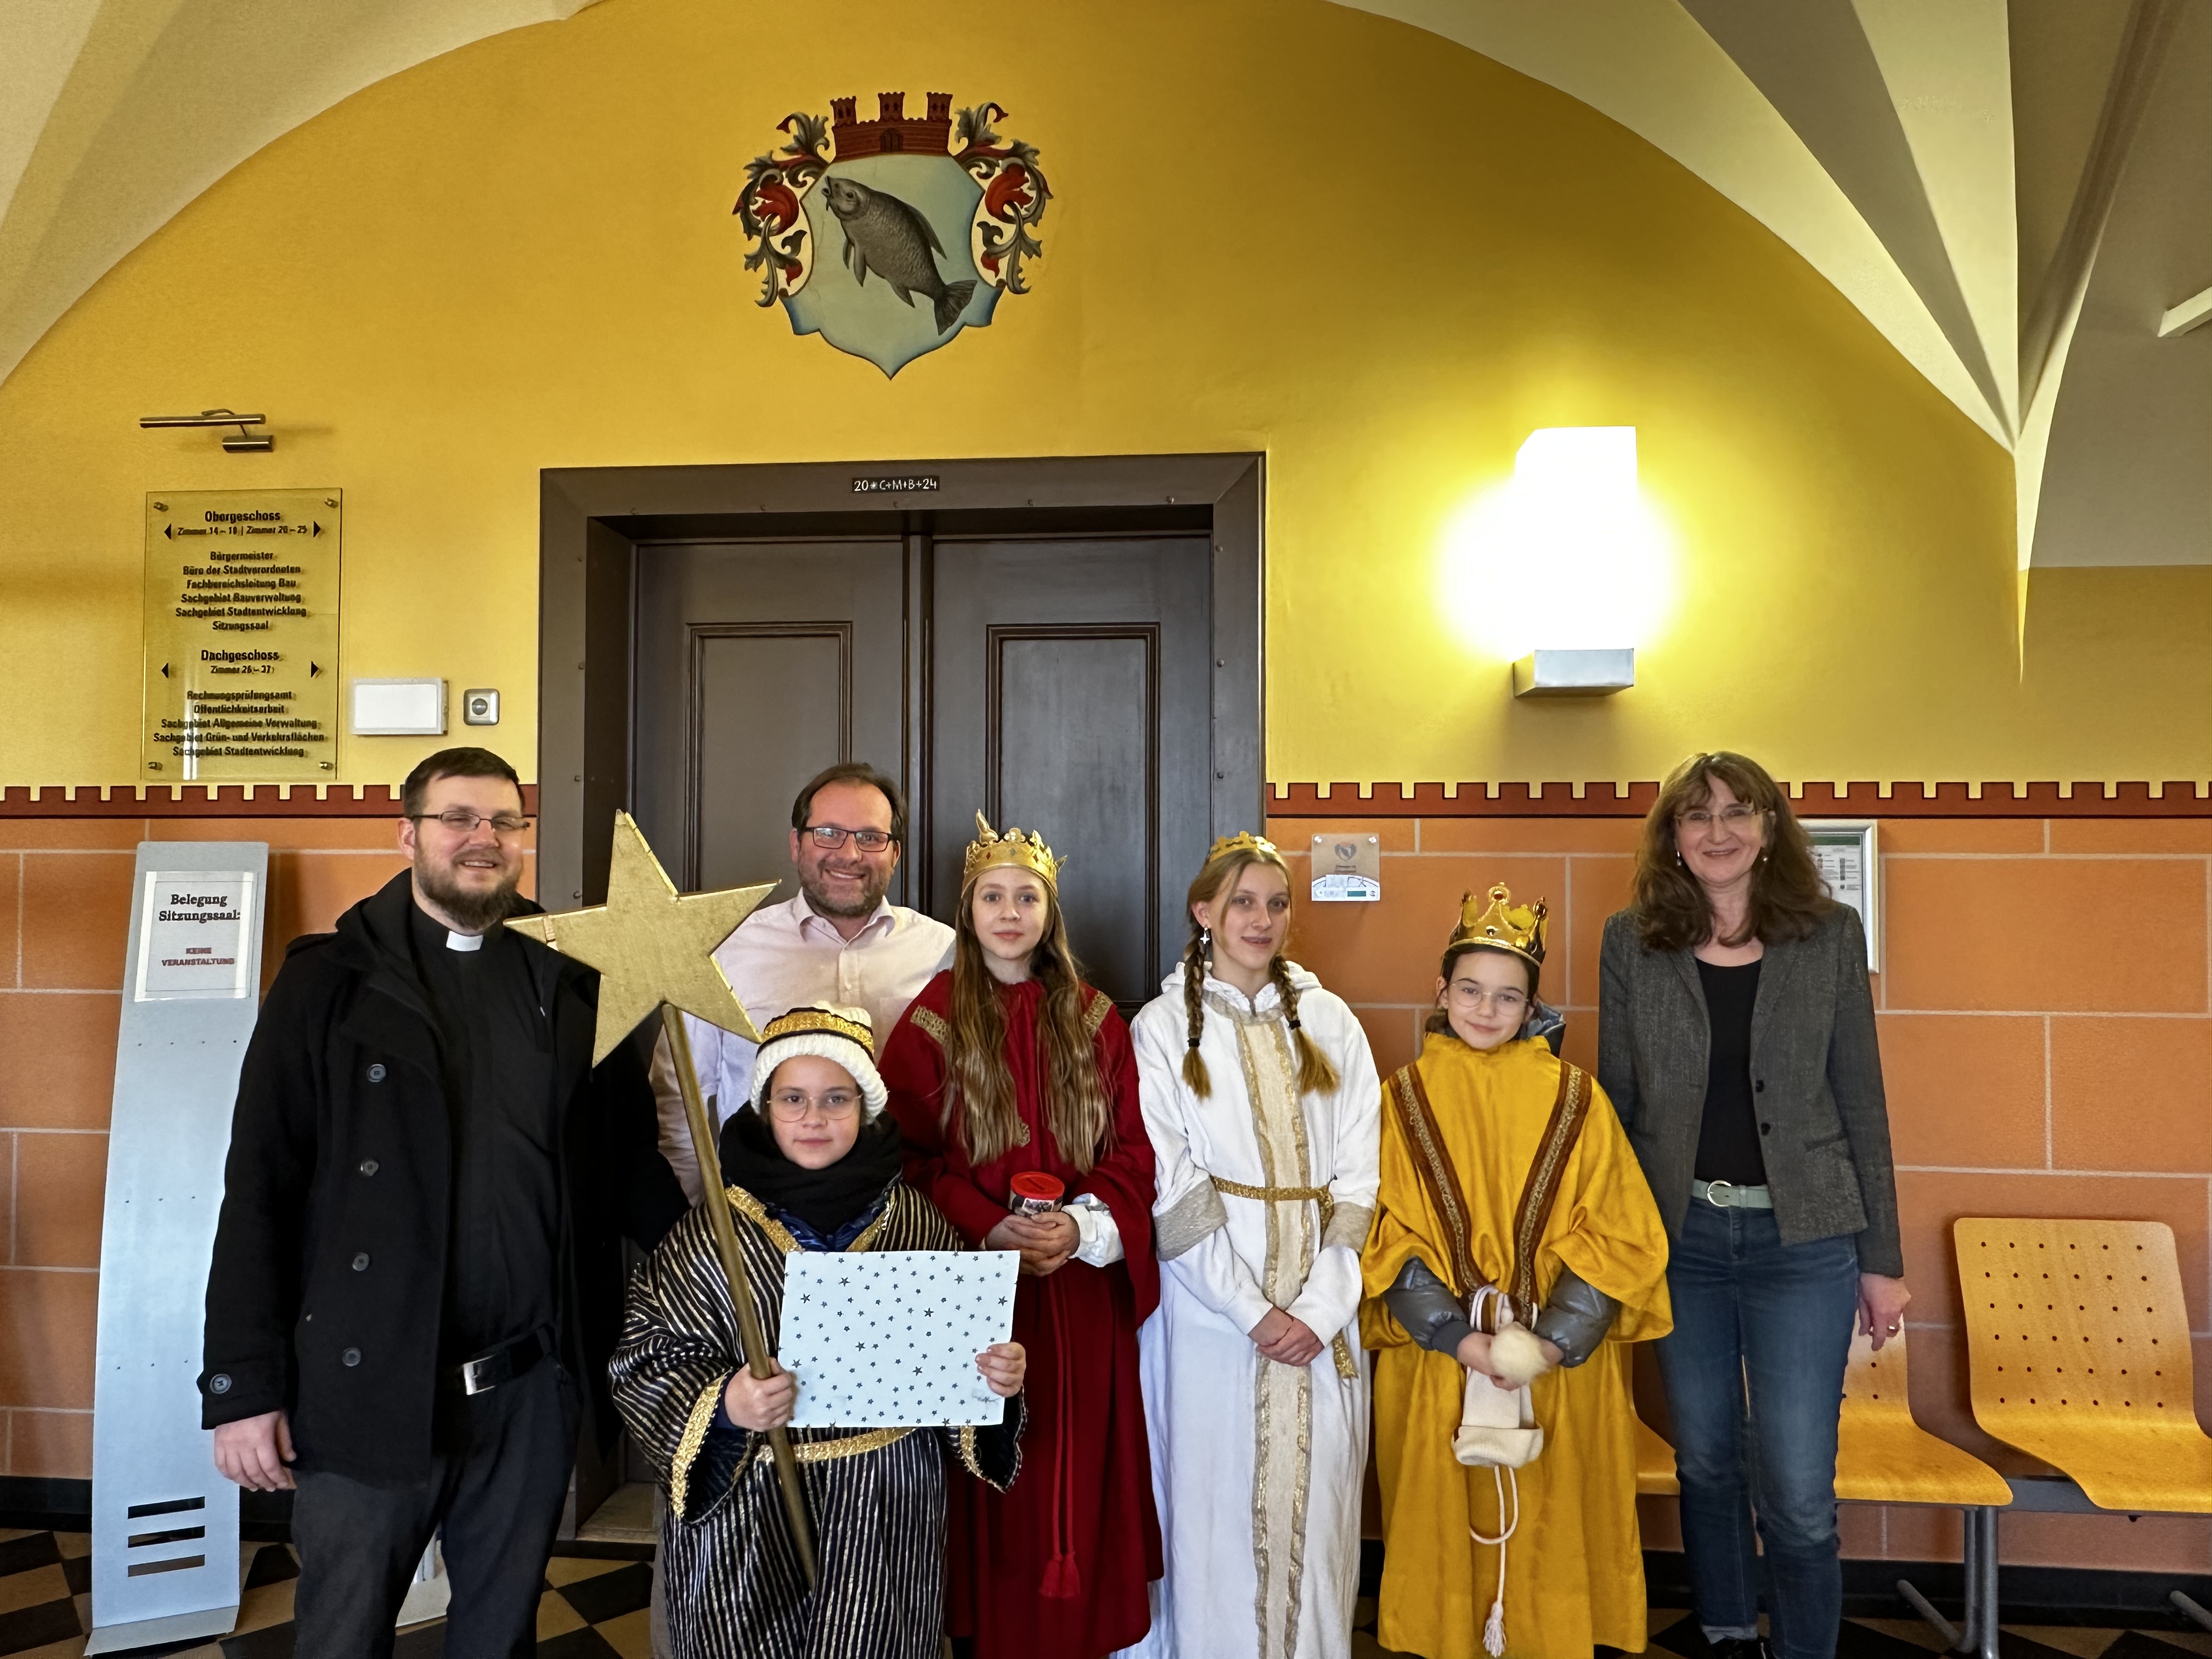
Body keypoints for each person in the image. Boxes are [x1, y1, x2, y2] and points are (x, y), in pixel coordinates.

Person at [200, 746, 687, 1659]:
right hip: (367, 1384)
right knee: (341, 1636)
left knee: (497, 1638)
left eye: (504, 822)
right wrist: (241, 1385)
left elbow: (627, 1162)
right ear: (408, 832)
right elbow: (259, 1184)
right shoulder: (326, 983)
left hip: (529, 1390)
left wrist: (733, 1256)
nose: (483, 839)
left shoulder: (573, 976)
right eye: (459, 818)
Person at [1598, 751, 1907, 1659]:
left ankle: (1805, 1644)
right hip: (1680, 1237)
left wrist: (1880, 1259)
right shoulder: (1632, 940)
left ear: (1769, 827)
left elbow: (1861, 1095)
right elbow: (1615, 1100)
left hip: (1802, 1241)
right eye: (1697, 816)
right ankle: (1730, 1631)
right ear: (1673, 838)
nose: (1719, 829)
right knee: (1704, 1458)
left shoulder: (1827, 936)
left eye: (1738, 811)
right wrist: (1610, 1243)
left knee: (1799, 1481)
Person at [612, 1005, 1029, 1659]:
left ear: (865, 1108)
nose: (814, 1118)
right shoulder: (710, 1236)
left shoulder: (914, 1225)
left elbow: (957, 1368)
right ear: (765, 1108)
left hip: (884, 1512)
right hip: (747, 1520)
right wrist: (726, 1405)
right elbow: (647, 1358)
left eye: (836, 1099)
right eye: (793, 1099)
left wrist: (994, 1381)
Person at [1363, 884, 1672, 1659]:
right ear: (1441, 991)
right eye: (1470, 989)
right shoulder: (1397, 1099)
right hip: (1440, 1363)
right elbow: (1383, 1234)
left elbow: (1620, 1230)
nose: (1487, 1009)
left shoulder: (1578, 1098)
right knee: (1441, 1530)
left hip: (1554, 1367)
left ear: (1534, 1004)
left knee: (1552, 1530)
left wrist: (1551, 1341)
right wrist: (1457, 1336)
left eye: (1509, 995)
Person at [880, 813, 1161, 1659]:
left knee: (1078, 1466)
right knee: (999, 1471)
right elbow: (904, 1157)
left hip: (1077, 1287)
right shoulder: (931, 1020)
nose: (1010, 912)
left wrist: (1080, 1227)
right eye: (993, 897)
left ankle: (1083, 1636)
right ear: (968, 912)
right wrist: (985, 1220)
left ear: (1050, 912)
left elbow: (1136, 1151)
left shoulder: (1096, 1017)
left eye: (1027, 897)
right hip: (978, 1286)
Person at [1121, 832, 1379, 1659]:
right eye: (1242, 902)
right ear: (1204, 912)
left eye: (1276, 902)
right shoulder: (1161, 1028)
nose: (1261, 920)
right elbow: (1171, 1183)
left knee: (1322, 1512)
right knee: (1209, 1510)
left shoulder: (1332, 1021)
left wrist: (1322, 1306)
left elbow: (1360, 1175)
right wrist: (1250, 1311)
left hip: (1321, 1314)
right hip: (1206, 1322)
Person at [653, 763, 952, 1201]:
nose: (850, 854)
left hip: (908, 1226)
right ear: (797, 844)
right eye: (828, 833)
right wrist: (703, 1218)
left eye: (871, 838)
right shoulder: (725, 954)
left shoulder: (946, 954)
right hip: (759, 1231)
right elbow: (677, 1102)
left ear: (895, 854)